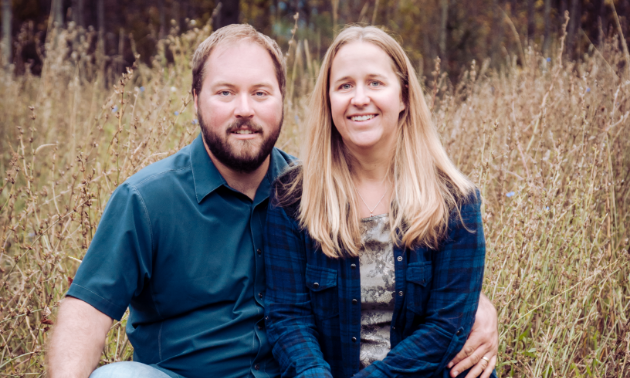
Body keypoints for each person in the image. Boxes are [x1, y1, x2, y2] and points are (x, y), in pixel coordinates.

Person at [47, 24, 497, 378]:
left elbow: (414, 285)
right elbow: (87, 309)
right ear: (197, 101)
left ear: (283, 100)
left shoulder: (308, 189)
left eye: (260, 93)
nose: (245, 109)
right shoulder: (150, 199)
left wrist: (475, 306)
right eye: (225, 92)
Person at [263, 25, 496, 378]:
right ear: (328, 100)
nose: (359, 98)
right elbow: (288, 318)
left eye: (375, 82)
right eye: (344, 85)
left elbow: (447, 327)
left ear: (403, 96)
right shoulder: (294, 198)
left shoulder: (455, 202)